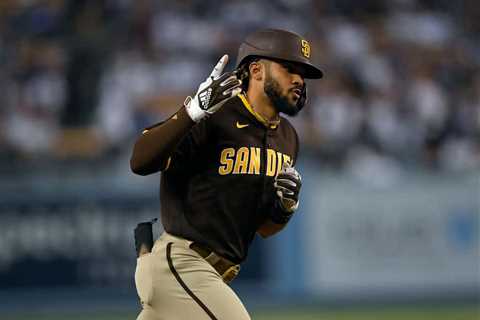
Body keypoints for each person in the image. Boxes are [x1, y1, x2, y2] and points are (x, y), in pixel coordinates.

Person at [130, 28, 323, 320]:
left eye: (303, 73)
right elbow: (140, 161)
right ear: (256, 70)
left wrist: (284, 208)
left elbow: (264, 228)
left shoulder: (288, 137)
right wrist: (193, 111)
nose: (299, 79)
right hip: (180, 265)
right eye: (289, 68)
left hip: (211, 276)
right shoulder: (215, 114)